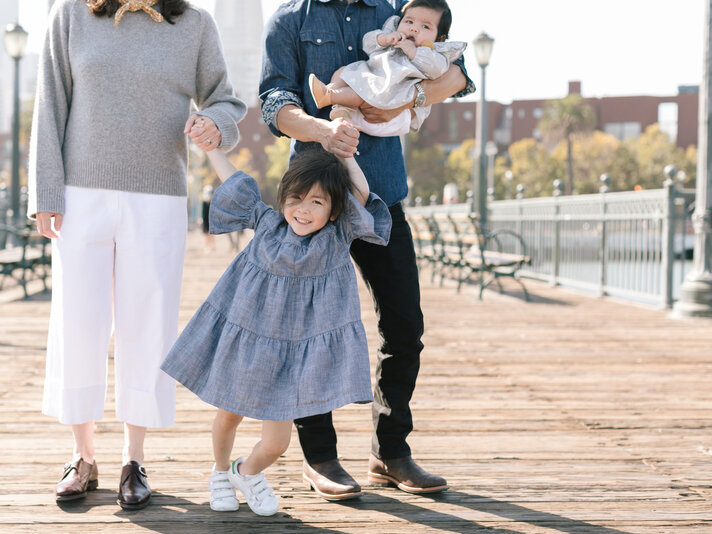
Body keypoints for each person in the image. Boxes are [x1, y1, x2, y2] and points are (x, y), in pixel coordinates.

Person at [27, 0, 246, 510]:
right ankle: (82, 456)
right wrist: (45, 193)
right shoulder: (72, 15)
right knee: (78, 322)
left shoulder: (194, 25)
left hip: (160, 196)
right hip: (80, 196)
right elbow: (50, 102)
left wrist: (214, 123)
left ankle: (134, 458)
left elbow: (225, 102)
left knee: (147, 323)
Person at [259, 0, 475, 500]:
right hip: (316, 200)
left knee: (404, 326)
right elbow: (274, 100)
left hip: (384, 196)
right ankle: (321, 458)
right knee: (312, 332)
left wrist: (409, 97)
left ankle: (390, 452)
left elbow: (461, 75)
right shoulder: (290, 19)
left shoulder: (397, 10)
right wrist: (321, 129)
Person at [160, 131, 391, 515]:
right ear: (283, 198)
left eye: (316, 202)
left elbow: (362, 195)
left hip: (290, 356)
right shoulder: (267, 223)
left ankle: (244, 472)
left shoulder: (336, 237)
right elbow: (234, 182)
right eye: (296, 198)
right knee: (227, 416)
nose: (303, 209)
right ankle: (219, 472)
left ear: (334, 211)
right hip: (246, 338)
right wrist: (212, 148)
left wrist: (346, 155)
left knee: (277, 444)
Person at [308, 0, 466, 137]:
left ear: (439, 38)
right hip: (373, 95)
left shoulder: (434, 54)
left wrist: (413, 52)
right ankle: (341, 110)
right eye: (409, 22)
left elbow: (437, 70)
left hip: (394, 114)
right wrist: (383, 39)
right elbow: (367, 44)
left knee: (364, 91)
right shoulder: (393, 38)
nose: (414, 28)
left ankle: (329, 96)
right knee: (342, 72)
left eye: (425, 26)